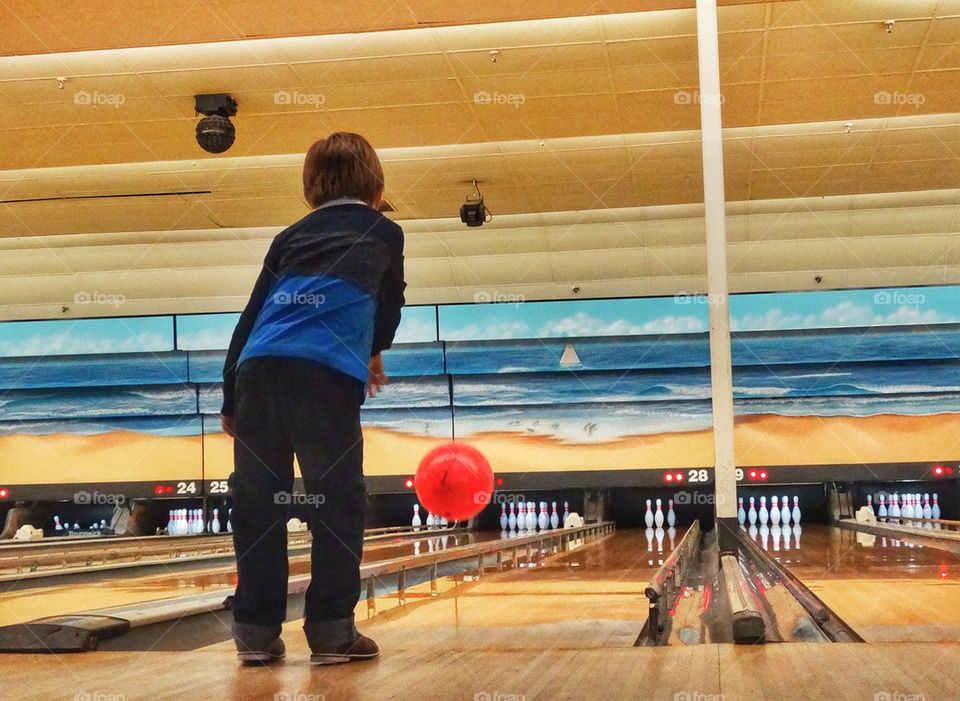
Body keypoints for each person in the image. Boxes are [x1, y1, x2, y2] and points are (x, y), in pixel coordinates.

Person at [220, 132, 405, 665]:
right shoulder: (384, 231)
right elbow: (390, 303)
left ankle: (254, 631)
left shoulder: (289, 235)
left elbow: (251, 316)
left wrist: (232, 397)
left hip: (258, 373)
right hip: (323, 379)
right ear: (377, 187)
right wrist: (373, 350)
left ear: (309, 190)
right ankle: (330, 630)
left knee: (257, 501)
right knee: (336, 501)